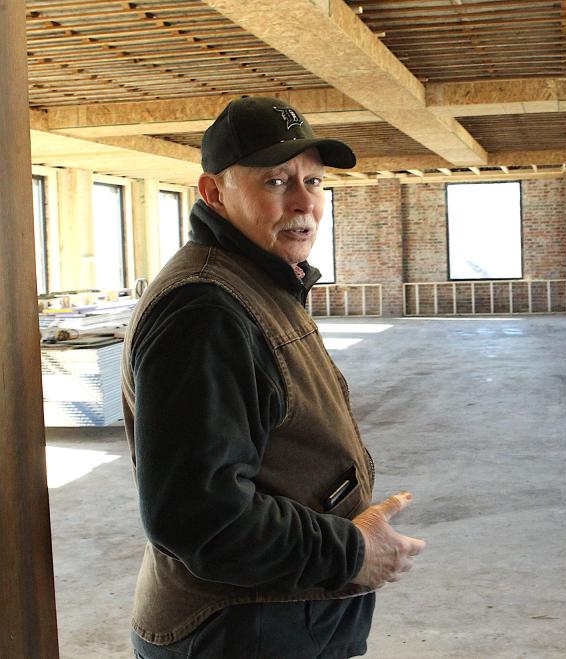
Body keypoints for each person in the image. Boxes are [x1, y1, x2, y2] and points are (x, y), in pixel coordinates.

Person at [120, 96, 425, 658]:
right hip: (240, 630)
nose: (303, 202)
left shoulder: (258, 281)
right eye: (276, 181)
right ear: (214, 193)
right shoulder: (207, 310)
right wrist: (349, 551)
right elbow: (199, 515)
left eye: (313, 180)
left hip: (274, 616)